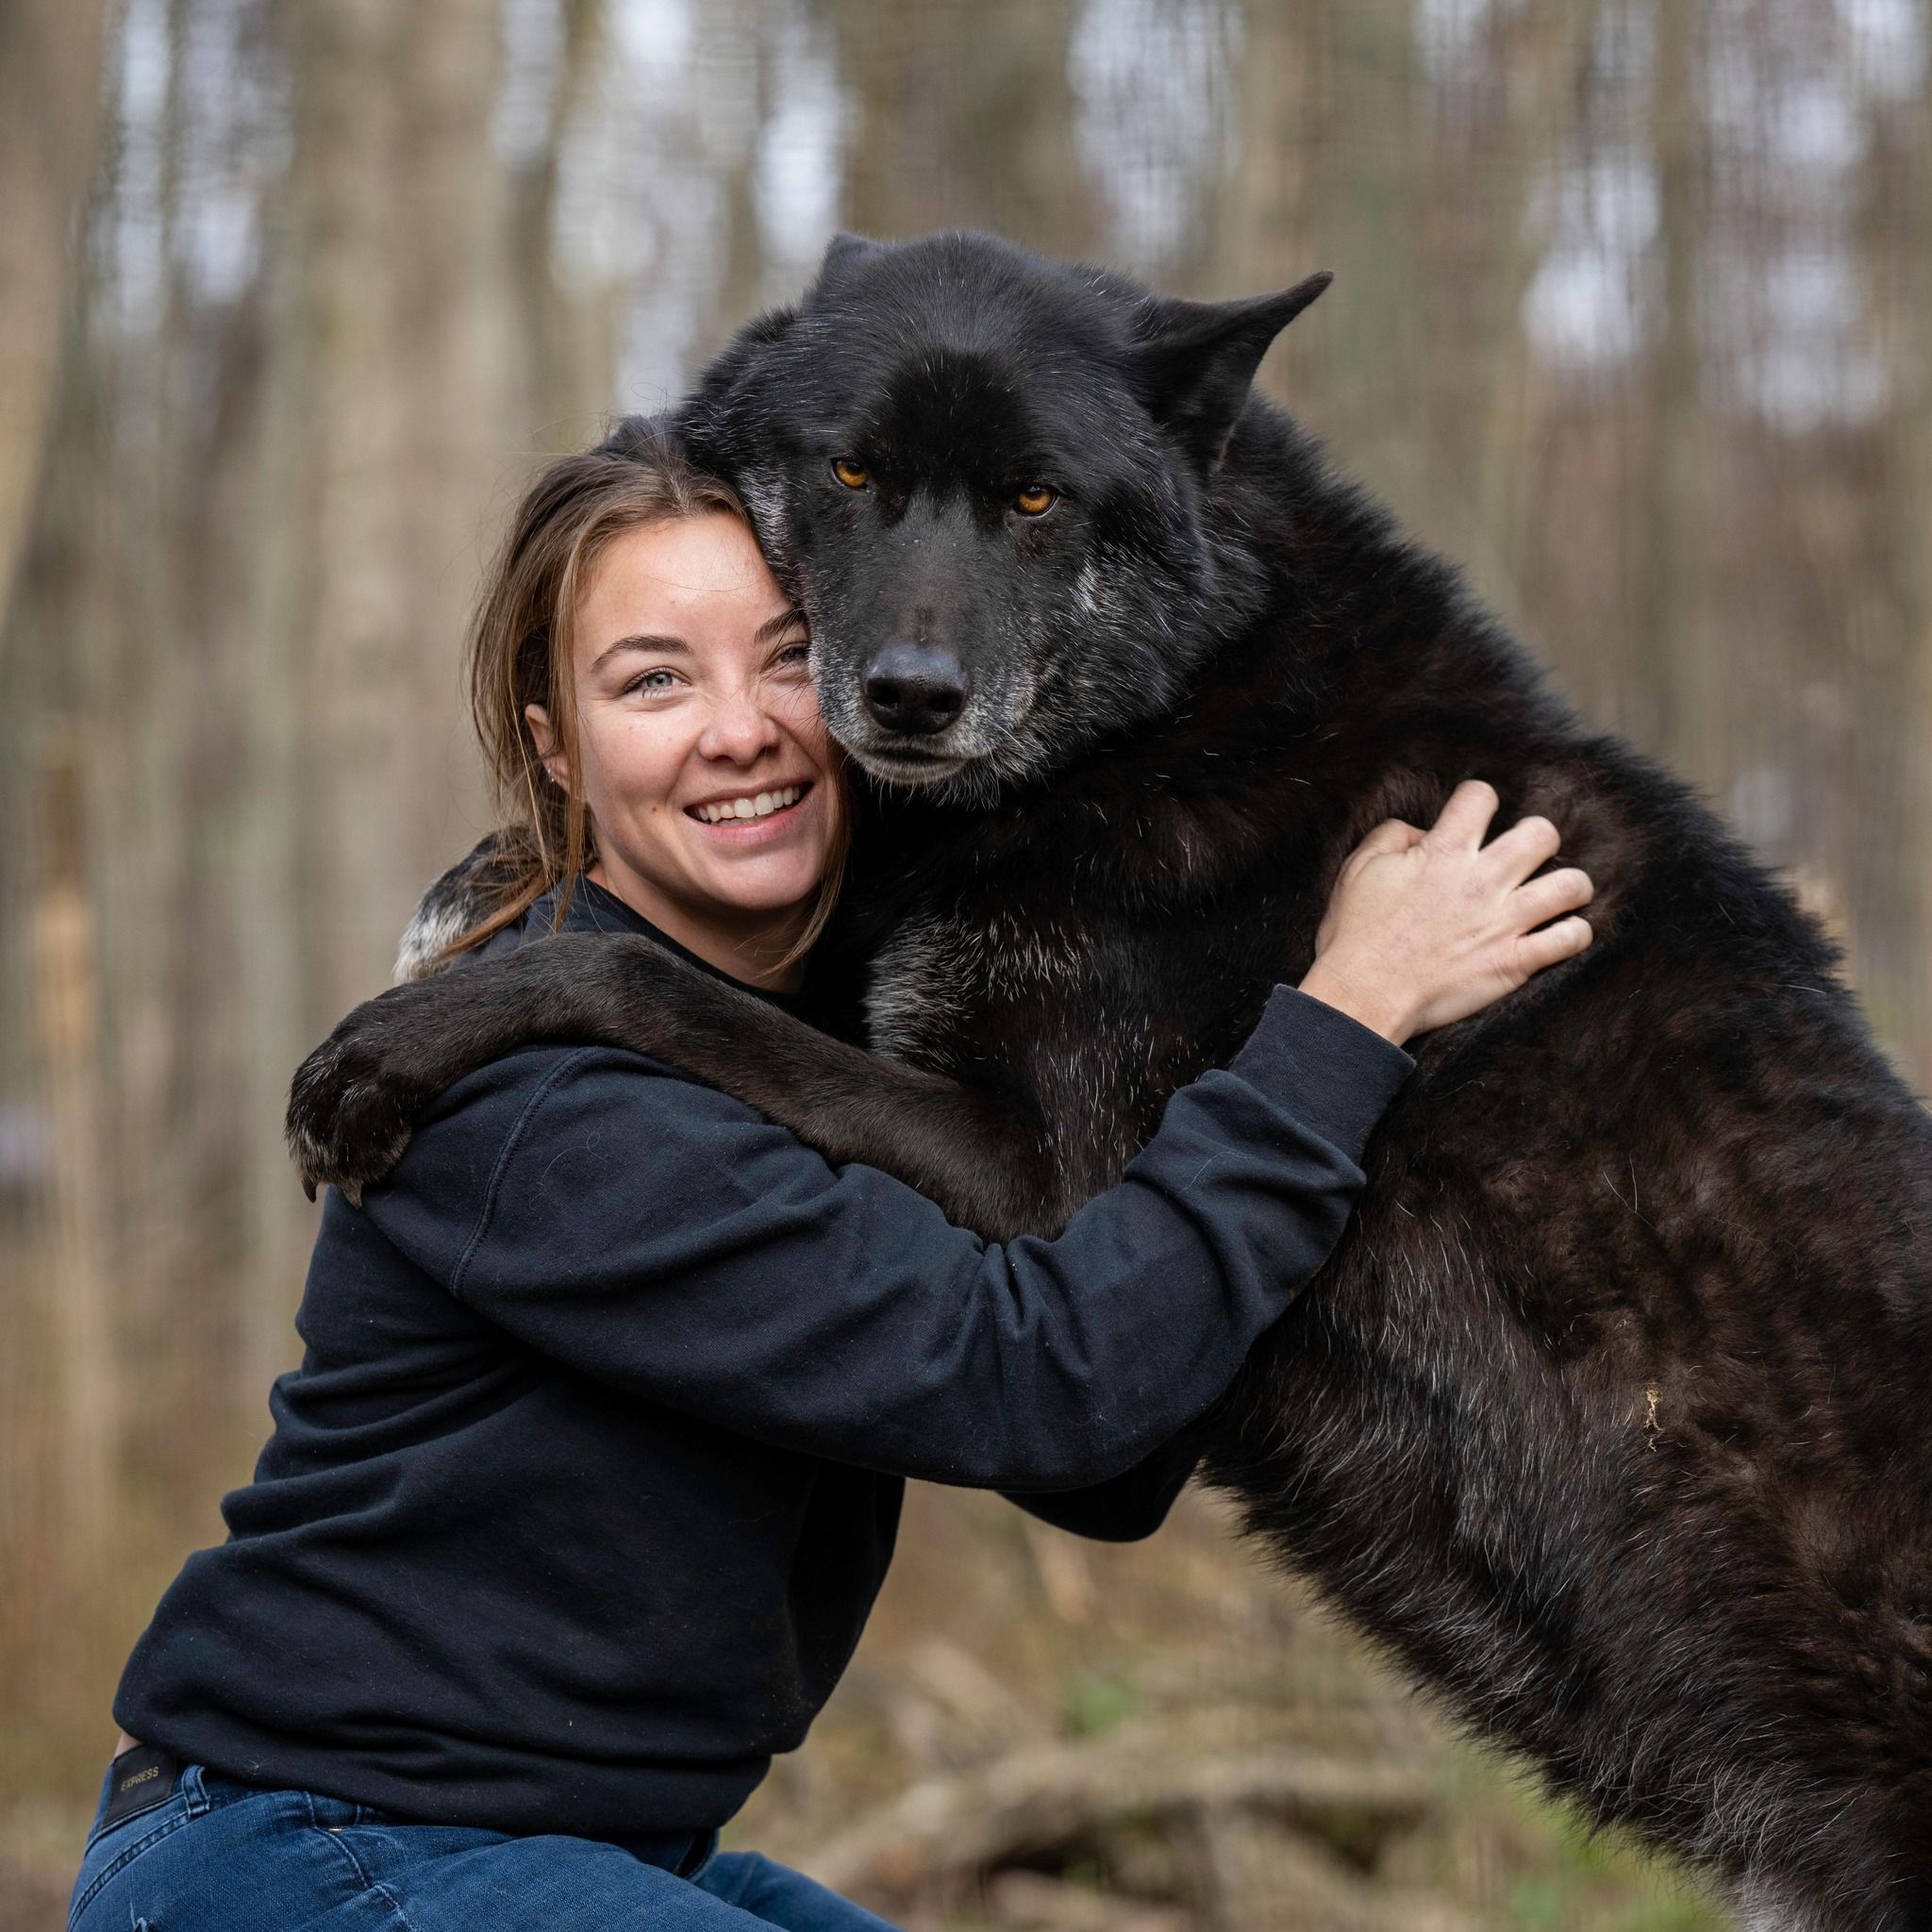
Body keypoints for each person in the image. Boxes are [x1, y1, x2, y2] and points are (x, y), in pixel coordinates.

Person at [71, 422, 1595, 1931]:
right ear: (557, 746)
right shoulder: (532, 1096)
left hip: (583, 1852)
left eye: (790, 654)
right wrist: (1342, 1022)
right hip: (305, 1854)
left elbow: (1107, 1462)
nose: (742, 727)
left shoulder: (832, 1053)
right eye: (653, 679)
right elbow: (1036, 1378)